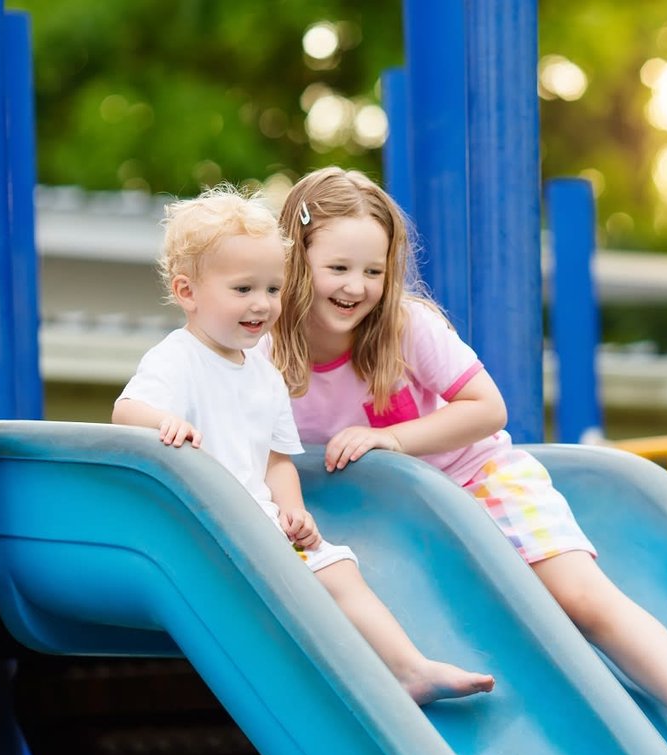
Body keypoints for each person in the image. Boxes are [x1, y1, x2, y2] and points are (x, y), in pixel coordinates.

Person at [266, 167, 667, 755]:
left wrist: (394, 438)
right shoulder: (267, 349)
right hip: (388, 521)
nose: (357, 287)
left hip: (477, 476)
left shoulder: (406, 327)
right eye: (339, 268)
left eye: (374, 271)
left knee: (580, 598)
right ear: (297, 259)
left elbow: (488, 408)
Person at [112, 184, 494, 706]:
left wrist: (292, 509)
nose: (262, 305)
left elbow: (276, 458)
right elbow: (125, 411)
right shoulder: (177, 360)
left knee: (338, 567)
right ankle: (329, 687)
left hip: (261, 524)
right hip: (206, 525)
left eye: (273, 289)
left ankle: (411, 669)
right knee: (292, 597)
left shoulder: (265, 373)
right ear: (187, 292)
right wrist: (163, 423)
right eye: (243, 290)